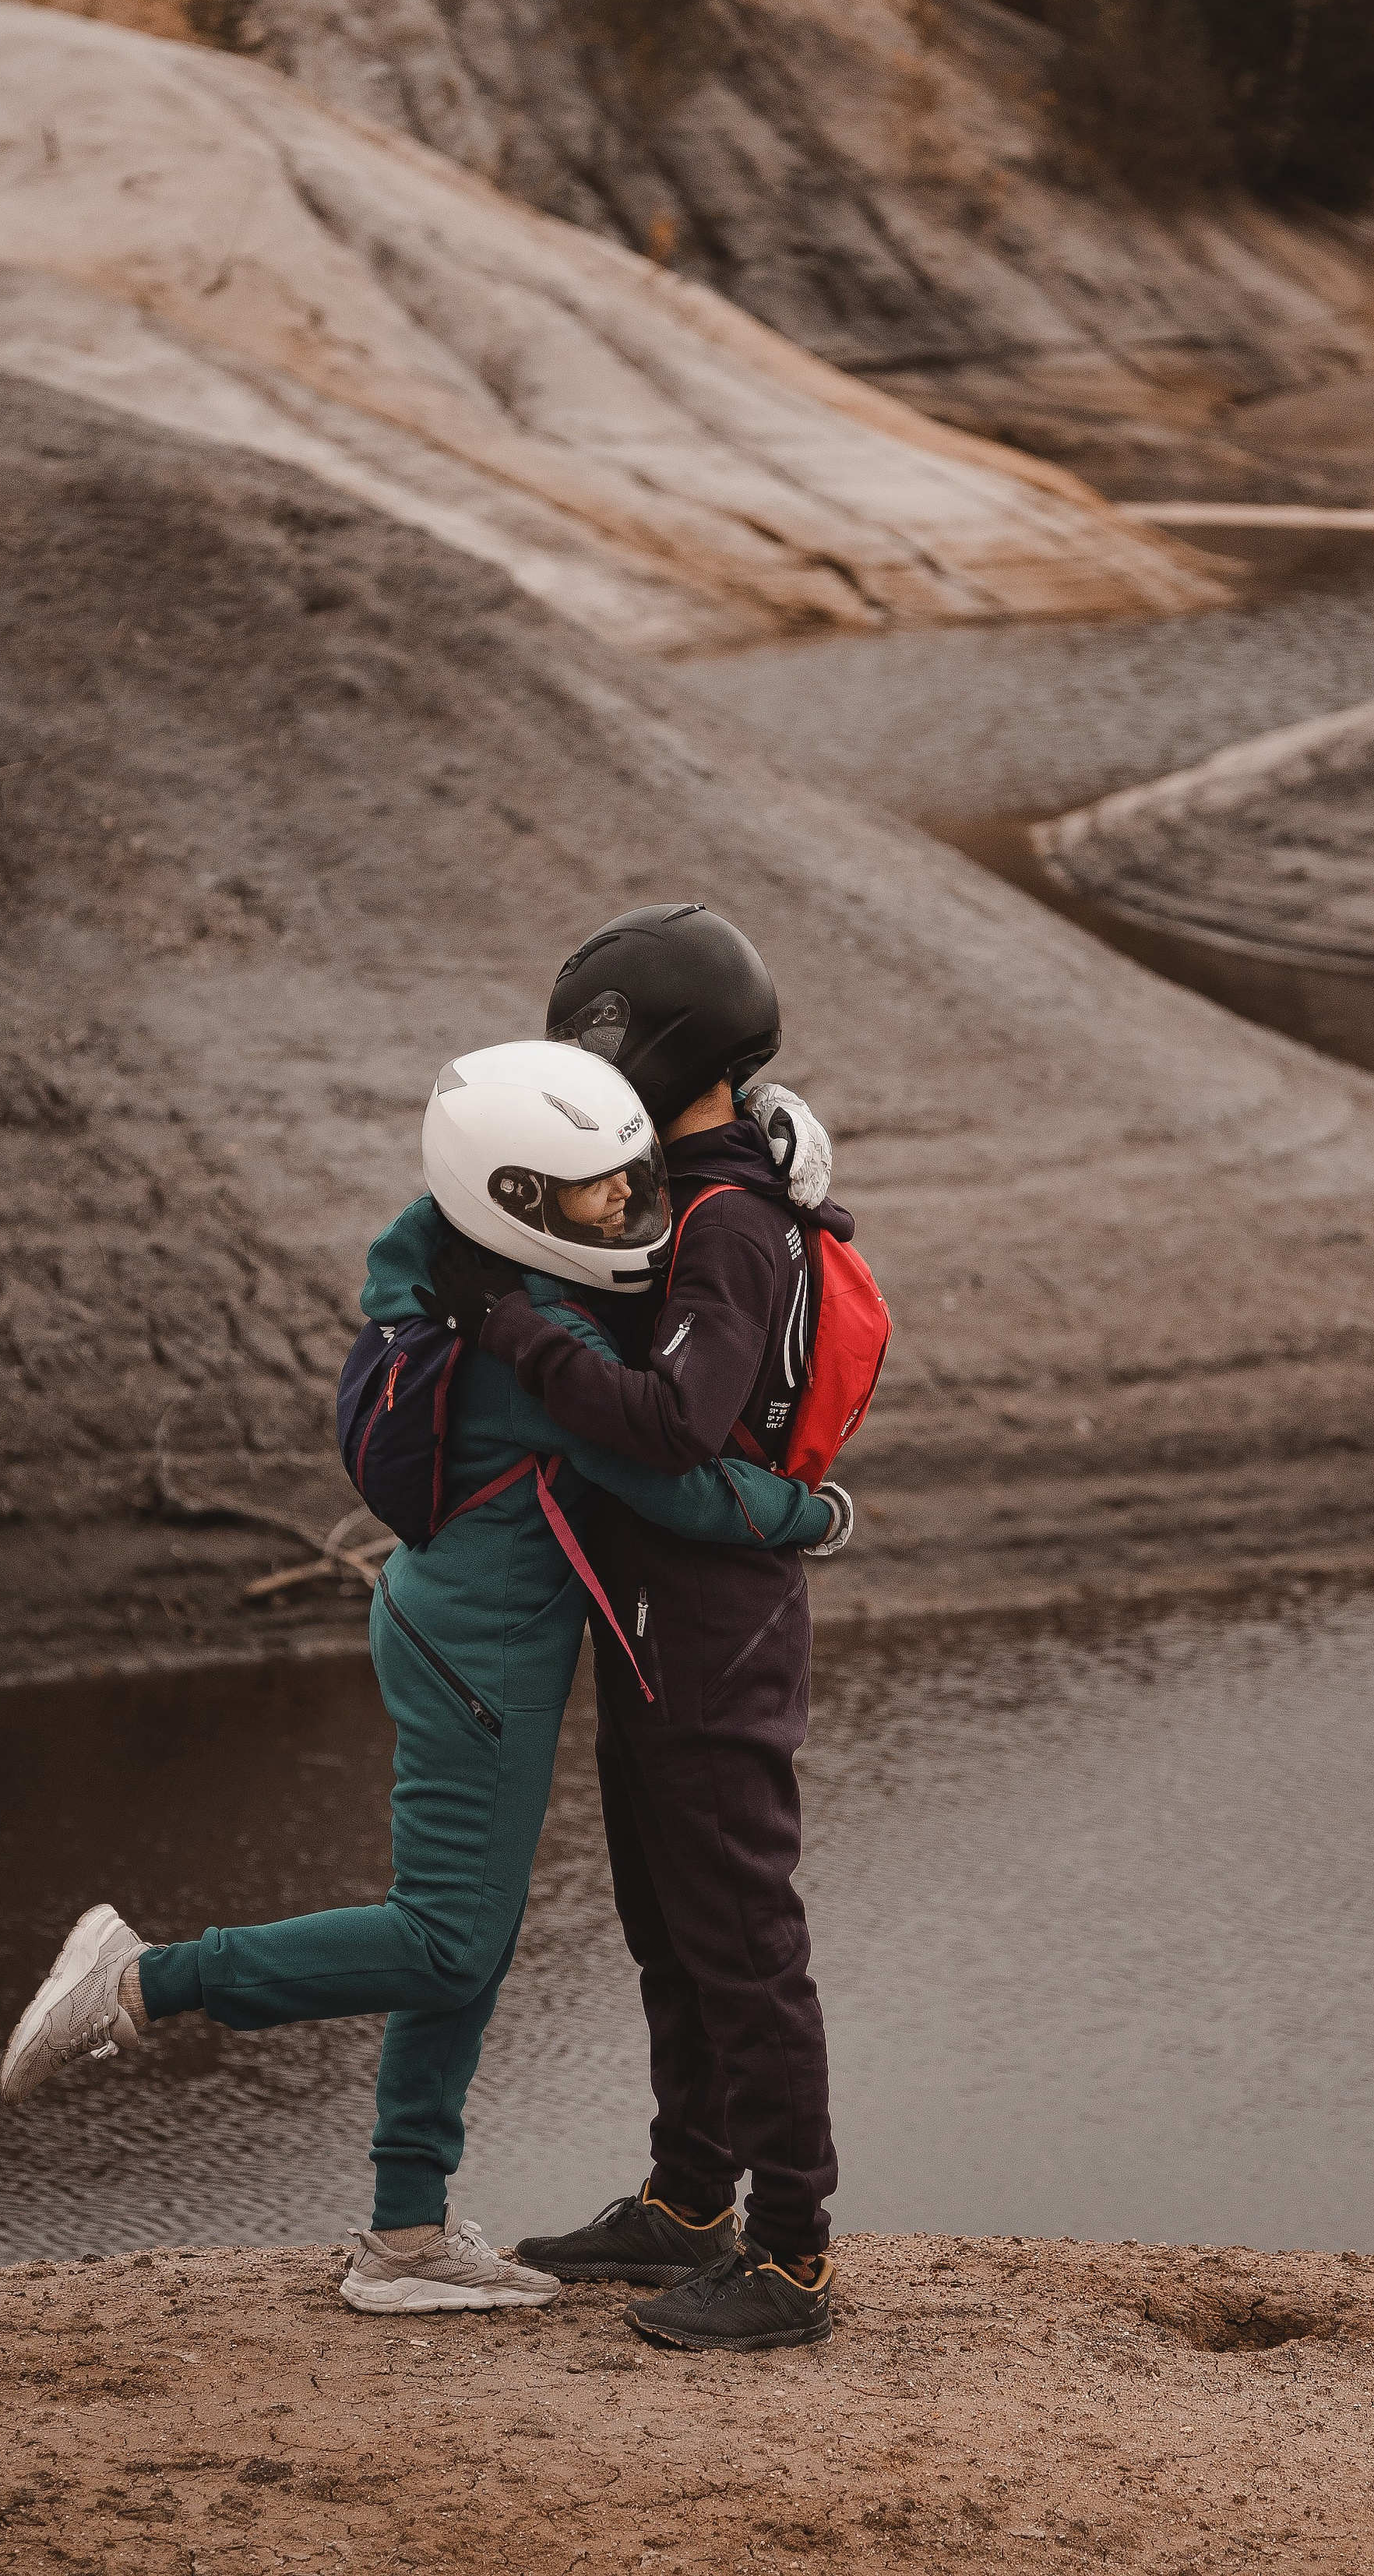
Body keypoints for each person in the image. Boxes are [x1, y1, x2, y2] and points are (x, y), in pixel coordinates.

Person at [0, 1038, 846, 2317]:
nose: (626, 1205)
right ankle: (136, 1982)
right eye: (595, 1193)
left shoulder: (458, 1262)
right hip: (480, 1656)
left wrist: (764, 1133)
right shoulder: (533, 1333)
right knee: (448, 1941)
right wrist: (813, 1517)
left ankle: (404, 2231)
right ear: (515, 1200)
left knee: (466, 1939)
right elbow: (677, 1478)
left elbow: (532, 1137)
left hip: (455, 1628)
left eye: (626, 1179)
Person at [424, 906, 858, 2353]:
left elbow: (675, 1423)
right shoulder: (712, 1186)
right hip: (664, 1616)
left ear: (660, 1043)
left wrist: (507, 1327)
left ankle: (789, 2255)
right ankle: (687, 2201)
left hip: (713, 1626)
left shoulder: (732, 1224)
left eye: (600, 1041)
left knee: (741, 1935)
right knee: (671, 1926)